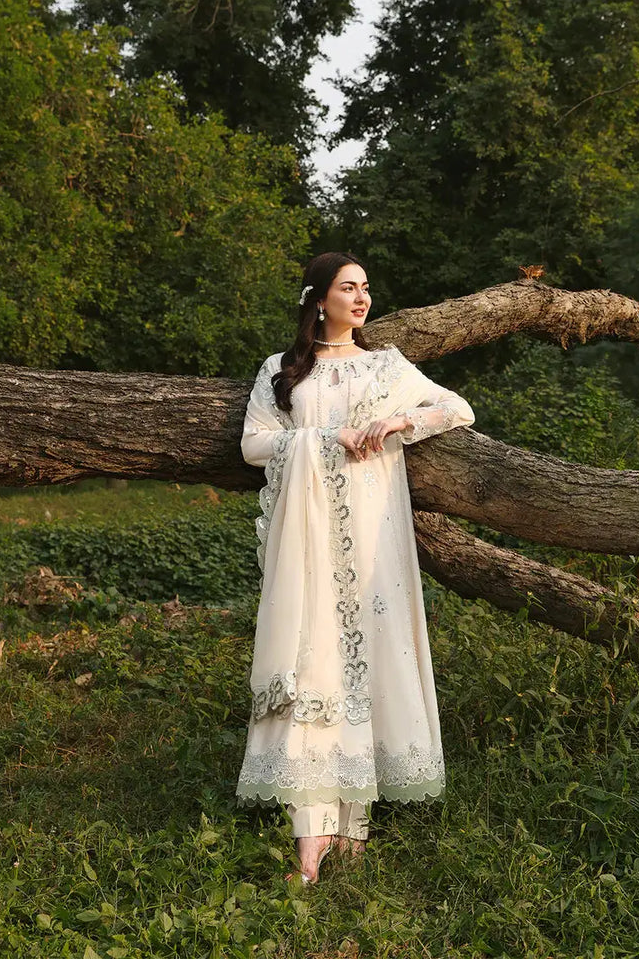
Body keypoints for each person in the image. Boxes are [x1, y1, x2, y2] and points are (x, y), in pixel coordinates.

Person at [235, 251, 475, 883]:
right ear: (318, 298)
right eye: (350, 287)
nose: (362, 298)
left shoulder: (385, 367)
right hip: (306, 539)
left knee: (365, 660)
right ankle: (310, 841)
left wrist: (400, 419)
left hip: (374, 537)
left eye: (367, 287)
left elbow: (456, 408)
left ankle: (354, 829)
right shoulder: (281, 371)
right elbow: (255, 444)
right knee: (308, 661)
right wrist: (322, 439)